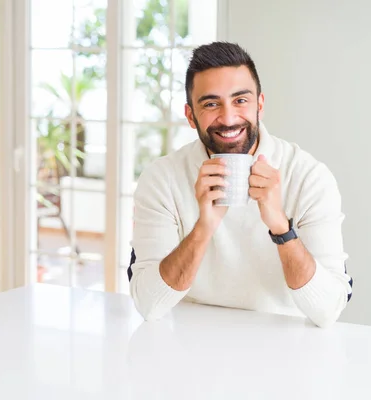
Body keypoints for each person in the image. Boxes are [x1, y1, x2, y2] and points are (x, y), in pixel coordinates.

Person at [127, 41, 352, 328]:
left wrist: (281, 228)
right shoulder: (161, 179)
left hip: (288, 347)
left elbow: (328, 310)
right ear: (190, 115)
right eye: (211, 104)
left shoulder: (309, 176)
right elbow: (149, 305)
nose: (229, 117)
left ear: (260, 104)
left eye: (241, 100)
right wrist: (203, 227)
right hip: (189, 346)